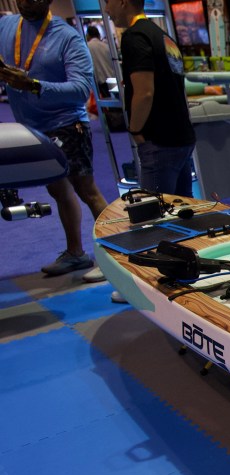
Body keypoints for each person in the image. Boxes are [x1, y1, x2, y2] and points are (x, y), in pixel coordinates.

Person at [0, 0, 109, 277]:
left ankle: (116, 257)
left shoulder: (67, 37)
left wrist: (33, 85)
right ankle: (76, 253)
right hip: (31, 127)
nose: (27, 2)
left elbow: (81, 90)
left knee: (86, 190)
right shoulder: (7, 26)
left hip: (67, 125)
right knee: (58, 190)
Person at [106, 0, 196, 198]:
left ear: (123, 2)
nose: (106, 10)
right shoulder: (162, 36)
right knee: (183, 208)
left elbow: (145, 92)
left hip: (159, 140)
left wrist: (135, 129)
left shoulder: (135, 37)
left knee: (155, 212)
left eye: (107, 2)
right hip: (181, 136)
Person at [85, 25, 115, 97]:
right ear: (98, 34)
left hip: (100, 83)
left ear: (88, 35)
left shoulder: (86, 48)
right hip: (113, 79)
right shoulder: (106, 46)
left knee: (107, 102)